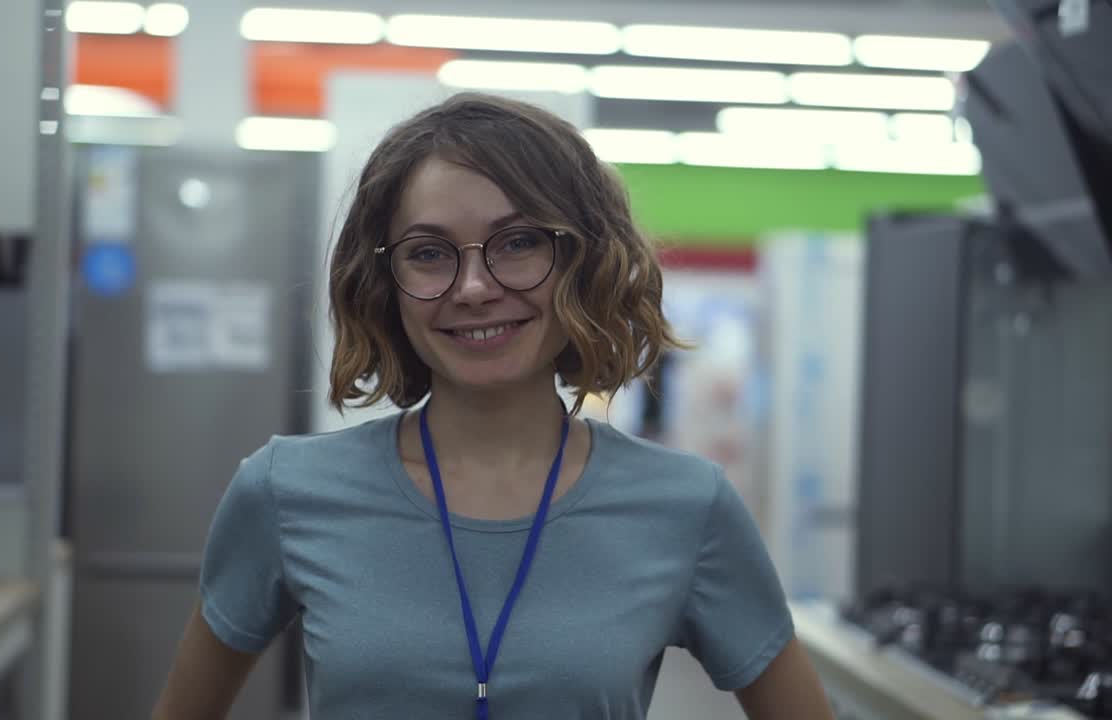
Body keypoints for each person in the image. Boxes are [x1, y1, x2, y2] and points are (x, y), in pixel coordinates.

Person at [153, 92, 835, 719]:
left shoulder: (687, 506)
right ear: (384, 281)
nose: (475, 287)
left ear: (584, 260)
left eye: (518, 243)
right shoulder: (284, 492)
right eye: (428, 253)